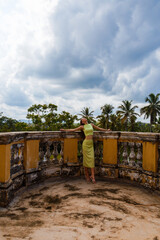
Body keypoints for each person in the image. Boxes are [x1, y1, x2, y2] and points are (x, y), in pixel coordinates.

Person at [60, 118, 110, 183]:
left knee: (92, 159)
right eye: (82, 119)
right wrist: (64, 130)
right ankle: (87, 175)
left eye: (83, 118)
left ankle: (92, 176)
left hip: (90, 144)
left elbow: (99, 129)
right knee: (86, 160)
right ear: (82, 122)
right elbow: (73, 130)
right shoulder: (82, 127)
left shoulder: (91, 125)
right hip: (86, 143)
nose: (83, 119)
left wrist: (107, 130)